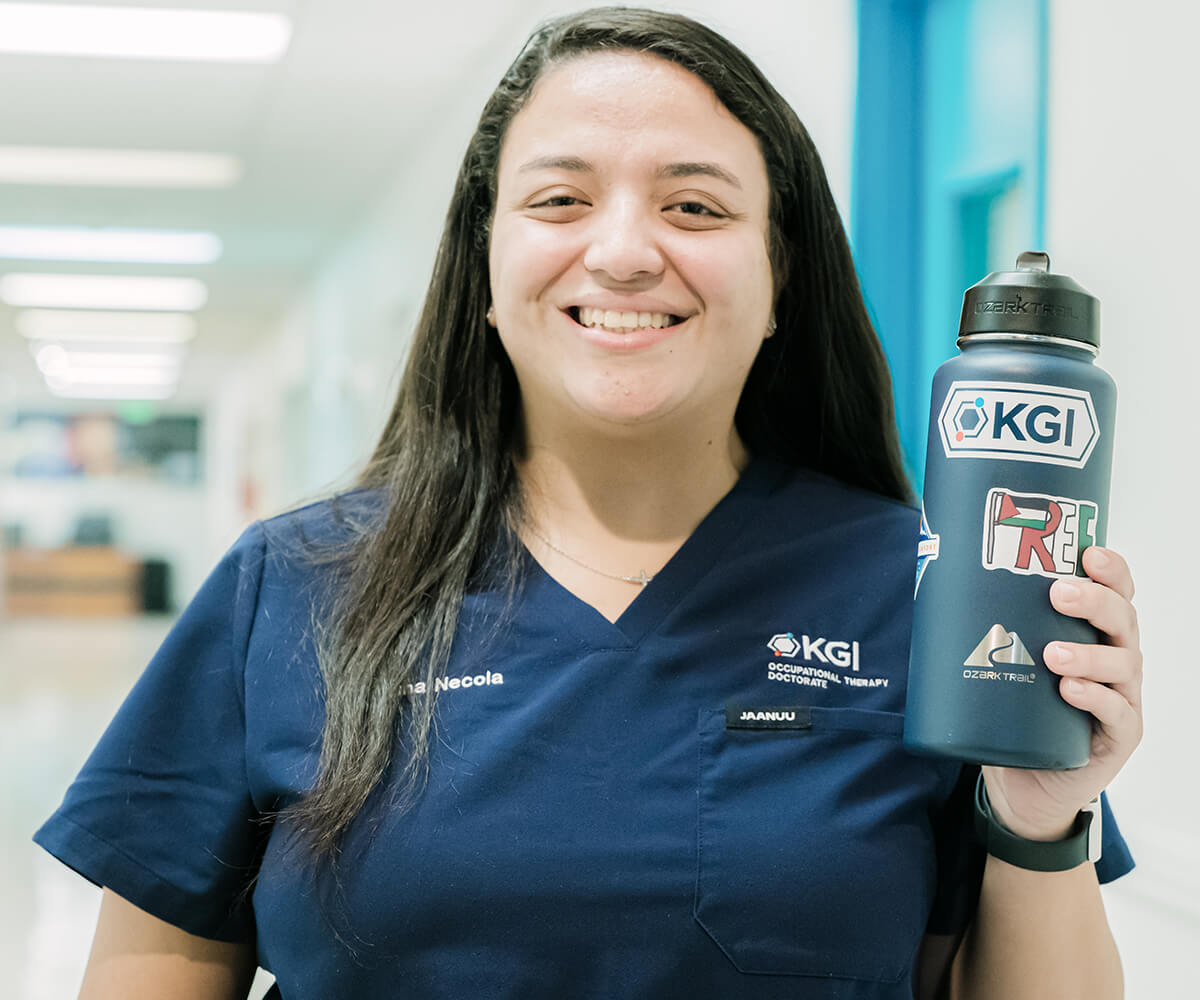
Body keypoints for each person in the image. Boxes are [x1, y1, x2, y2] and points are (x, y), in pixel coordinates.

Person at [36, 8, 1142, 999]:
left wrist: (1043, 822)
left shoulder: (930, 593)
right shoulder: (297, 585)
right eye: (560, 199)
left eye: (694, 204)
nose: (622, 253)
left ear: (779, 278)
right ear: (484, 264)